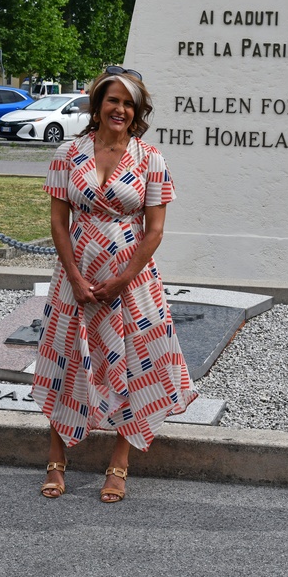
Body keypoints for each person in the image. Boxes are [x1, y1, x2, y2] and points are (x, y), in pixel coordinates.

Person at [32, 66, 197, 504]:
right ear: (97, 104)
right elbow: (57, 221)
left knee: (132, 366)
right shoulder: (69, 153)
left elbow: (155, 230)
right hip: (77, 275)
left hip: (132, 278)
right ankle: (55, 457)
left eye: (129, 103)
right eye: (113, 100)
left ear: (138, 110)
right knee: (69, 358)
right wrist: (73, 276)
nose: (120, 109)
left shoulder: (150, 159)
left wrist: (123, 280)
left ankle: (120, 462)